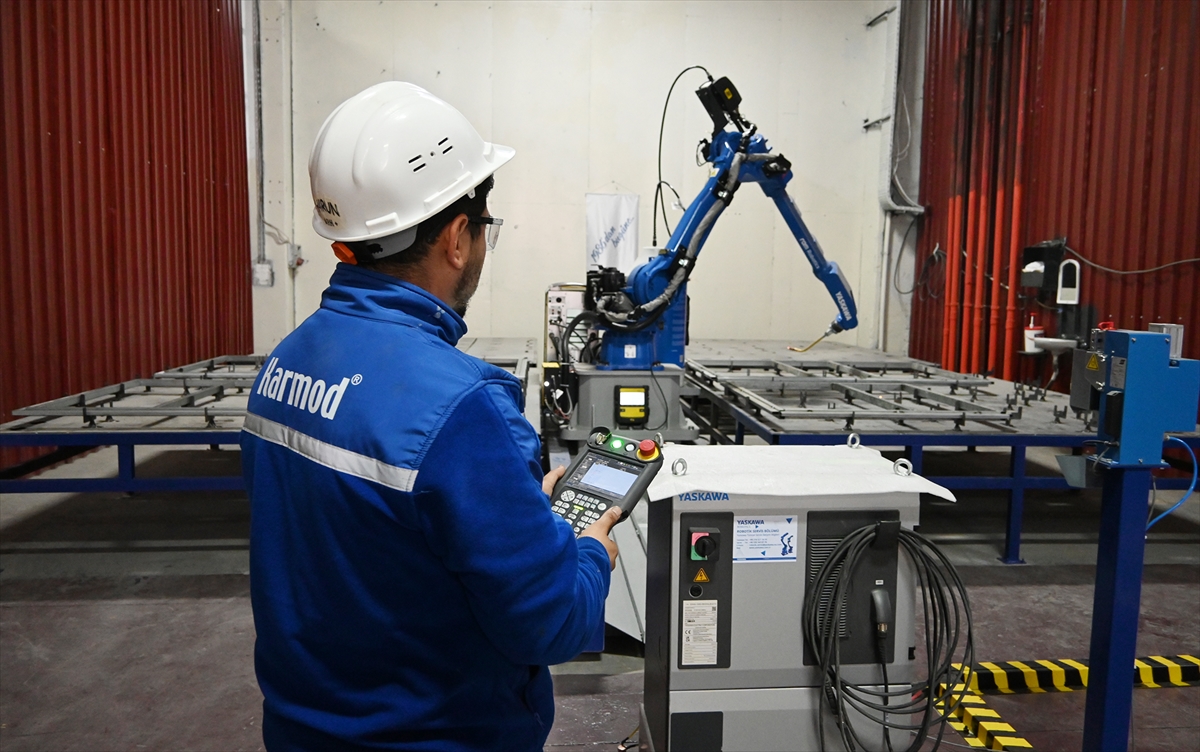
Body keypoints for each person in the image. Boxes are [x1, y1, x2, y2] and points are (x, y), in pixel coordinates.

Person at [240, 81, 621, 752]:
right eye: (483, 227)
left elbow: (374, 539)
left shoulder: (286, 362)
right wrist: (589, 551)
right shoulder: (465, 406)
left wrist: (512, 508)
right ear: (456, 238)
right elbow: (550, 623)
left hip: (302, 732)